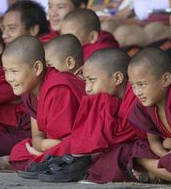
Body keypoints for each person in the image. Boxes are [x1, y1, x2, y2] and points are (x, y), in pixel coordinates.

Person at [36, 48, 140, 183]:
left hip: (138, 149)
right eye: (85, 81)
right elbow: (89, 136)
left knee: (118, 157)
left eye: (92, 80)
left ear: (117, 78)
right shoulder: (106, 101)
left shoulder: (136, 97)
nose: (87, 88)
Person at [2, 35, 85, 171]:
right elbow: (37, 136)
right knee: (18, 151)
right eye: (5, 71)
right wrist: (41, 146)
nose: (9, 78)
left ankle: (43, 161)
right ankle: (42, 160)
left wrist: (43, 149)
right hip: (53, 146)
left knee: (47, 157)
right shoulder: (28, 92)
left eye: (14, 71)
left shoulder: (58, 88)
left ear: (37, 68)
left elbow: (65, 142)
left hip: (75, 145)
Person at [127, 47, 171, 184]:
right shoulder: (142, 106)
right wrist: (168, 157)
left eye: (142, 84)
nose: (137, 92)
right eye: (133, 86)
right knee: (138, 151)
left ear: (165, 79)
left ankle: (160, 173)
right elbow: (153, 142)